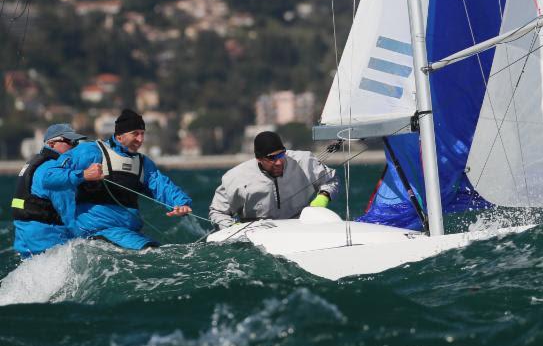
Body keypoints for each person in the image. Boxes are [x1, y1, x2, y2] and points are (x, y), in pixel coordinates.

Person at [42, 109, 192, 250]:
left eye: (142, 133)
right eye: (135, 134)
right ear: (119, 136)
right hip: (97, 230)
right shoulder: (91, 152)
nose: (140, 139)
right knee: (152, 253)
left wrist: (180, 203)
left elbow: (162, 186)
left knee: (161, 254)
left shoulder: (143, 164)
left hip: (127, 232)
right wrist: (84, 175)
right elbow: (49, 178)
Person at [209, 131, 339, 229]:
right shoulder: (236, 177)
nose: (278, 162)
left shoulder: (305, 161)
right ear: (259, 159)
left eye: (281, 154)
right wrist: (235, 229)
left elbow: (331, 180)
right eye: (272, 158)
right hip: (256, 233)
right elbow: (217, 212)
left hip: (300, 227)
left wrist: (323, 197)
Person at [12, 124, 90, 257]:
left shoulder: (35, 163)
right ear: (52, 143)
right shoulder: (55, 170)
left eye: (76, 142)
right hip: (47, 241)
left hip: (24, 241)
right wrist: (89, 238)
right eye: (70, 142)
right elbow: (69, 215)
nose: (74, 146)